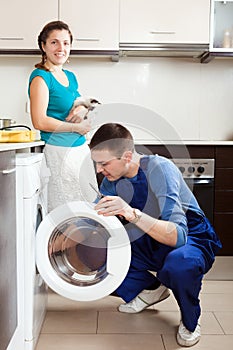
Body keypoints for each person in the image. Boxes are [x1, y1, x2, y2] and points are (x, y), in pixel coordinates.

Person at [89, 123, 222, 347]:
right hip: (147, 234)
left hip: (190, 235)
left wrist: (130, 213)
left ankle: (190, 321)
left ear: (127, 156)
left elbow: (177, 236)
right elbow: (93, 217)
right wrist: (66, 235)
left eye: (104, 163)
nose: (99, 170)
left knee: (179, 265)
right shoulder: (112, 180)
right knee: (92, 250)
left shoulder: (160, 169)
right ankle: (151, 290)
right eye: (96, 164)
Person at [28, 20, 97, 212]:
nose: (61, 48)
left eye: (66, 43)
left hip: (79, 151)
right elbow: (39, 121)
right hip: (58, 153)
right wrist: (77, 127)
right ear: (43, 46)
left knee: (83, 215)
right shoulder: (41, 77)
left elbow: (78, 106)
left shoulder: (71, 76)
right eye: (54, 42)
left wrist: (82, 110)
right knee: (62, 215)